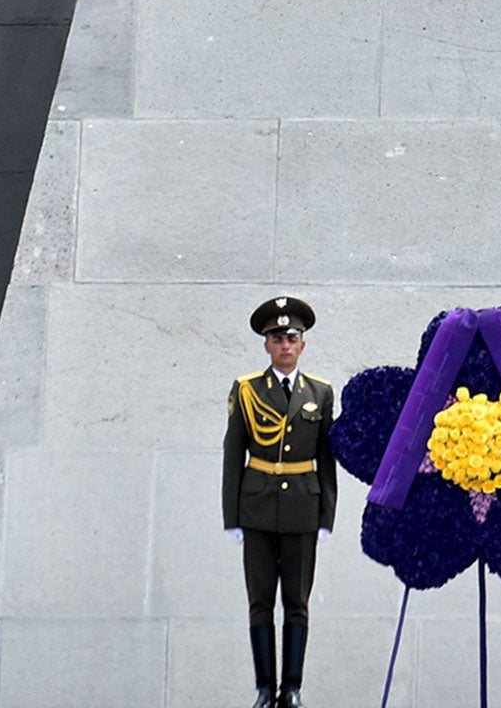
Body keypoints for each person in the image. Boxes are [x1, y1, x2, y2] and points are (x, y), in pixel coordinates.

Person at [224, 296, 336, 708]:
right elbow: (233, 453)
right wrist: (231, 516)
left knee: (297, 603)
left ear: (302, 345)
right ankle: (263, 689)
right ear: (266, 346)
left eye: (292, 337)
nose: (285, 345)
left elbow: (326, 458)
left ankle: (291, 689)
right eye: (277, 338)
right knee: (259, 602)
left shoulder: (320, 393)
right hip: (255, 507)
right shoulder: (247, 390)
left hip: (303, 509)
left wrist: (327, 515)